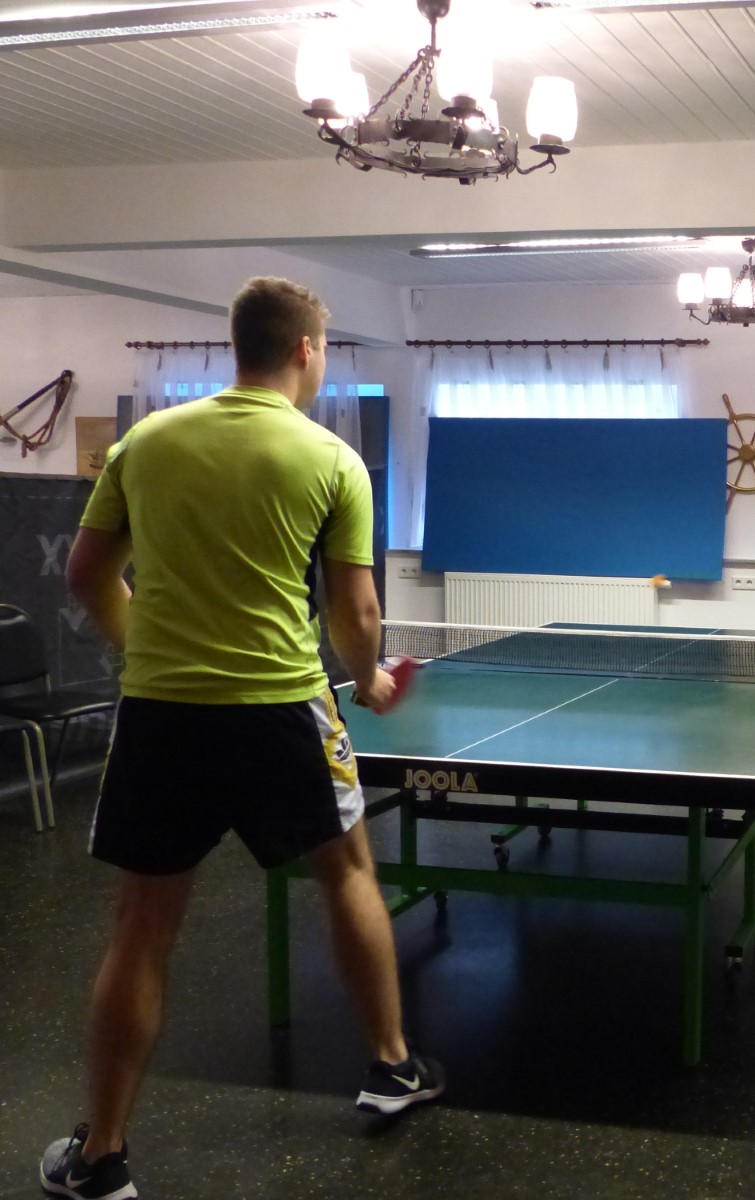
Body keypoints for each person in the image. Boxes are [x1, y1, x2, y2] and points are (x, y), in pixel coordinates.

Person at [42, 277, 442, 1200]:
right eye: (324, 347)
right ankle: (391, 1066)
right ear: (305, 348)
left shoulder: (145, 442)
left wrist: (149, 650)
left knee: (142, 927)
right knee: (347, 873)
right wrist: (371, 682)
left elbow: (87, 575)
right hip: (280, 709)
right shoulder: (332, 459)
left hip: (162, 714)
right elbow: (356, 613)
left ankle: (101, 1157)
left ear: (240, 345)